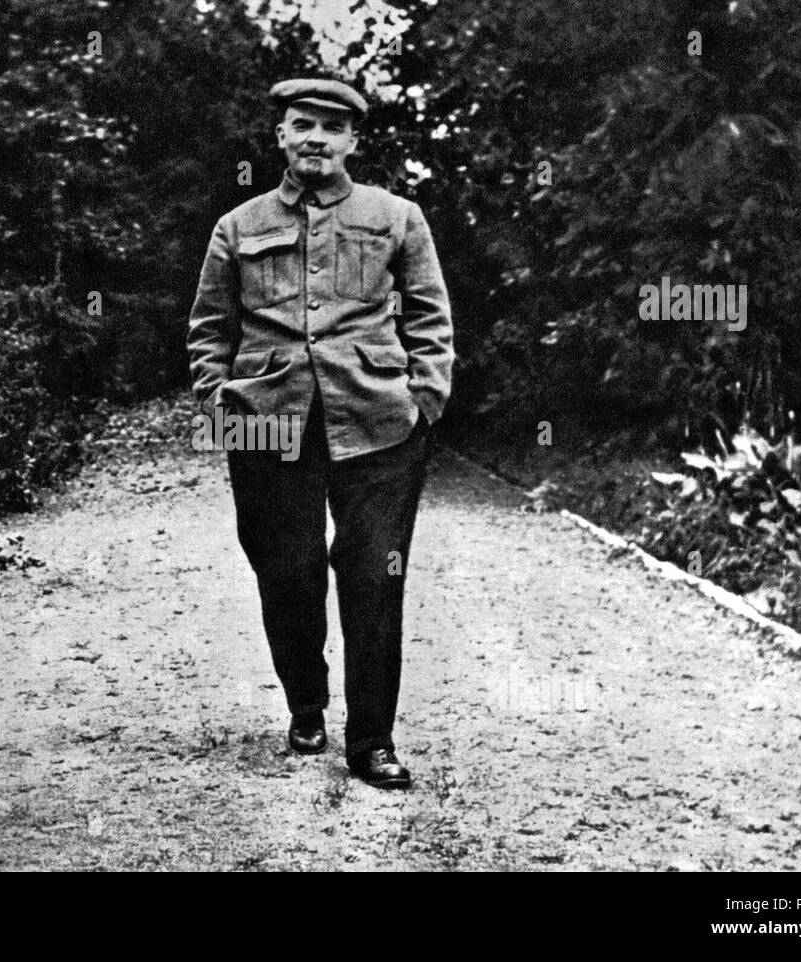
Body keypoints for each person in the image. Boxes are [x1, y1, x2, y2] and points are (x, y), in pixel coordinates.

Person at [187, 77, 453, 788]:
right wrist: (221, 402)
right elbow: (209, 329)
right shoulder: (237, 227)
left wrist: (422, 400)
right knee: (288, 572)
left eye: (332, 129)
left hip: (378, 423)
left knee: (372, 576)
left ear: (352, 142)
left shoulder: (396, 217)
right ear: (279, 135)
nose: (315, 138)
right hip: (266, 423)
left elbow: (431, 320)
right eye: (302, 125)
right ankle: (307, 701)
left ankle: (371, 741)